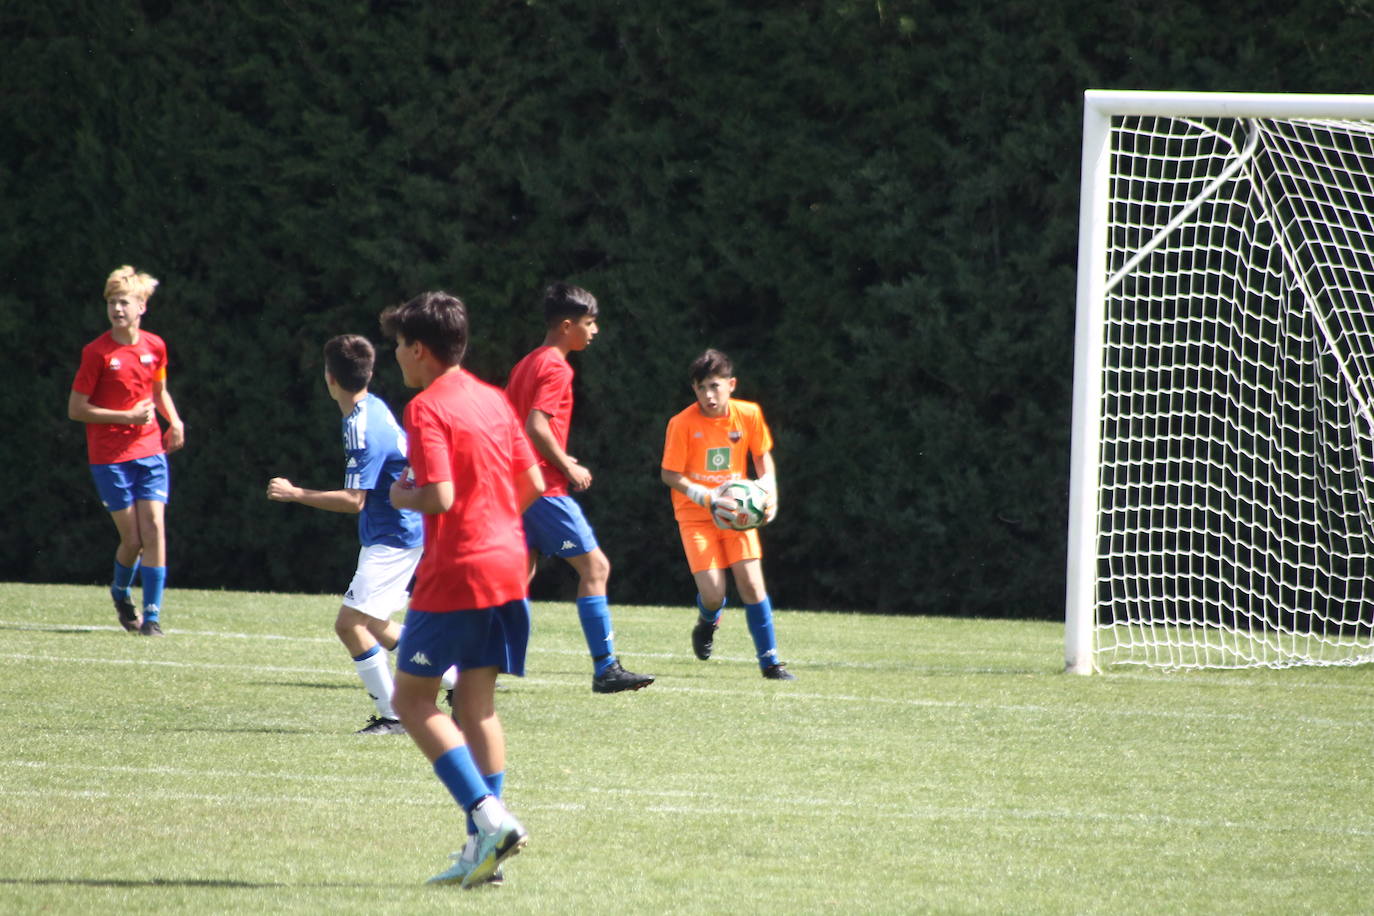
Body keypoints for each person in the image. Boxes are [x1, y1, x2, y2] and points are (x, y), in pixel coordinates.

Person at [381, 291, 542, 888]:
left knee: (412, 700)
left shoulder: (426, 407)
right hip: (508, 563)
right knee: (477, 705)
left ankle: (488, 816)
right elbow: (530, 483)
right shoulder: (494, 399)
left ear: (419, 349)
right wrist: (495, 523)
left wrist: (399, 496)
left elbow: (440, 496)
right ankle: (483, 851)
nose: (396, 354)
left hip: (457, 571)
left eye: (398, 344)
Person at [266, 334, 423, 735]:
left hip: (394, 536)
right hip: (398, 530)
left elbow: (354, 500)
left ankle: (394, 715)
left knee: (349, 624)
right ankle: (455, 678)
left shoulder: (360, 424)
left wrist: (296, 493)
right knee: (373, 622)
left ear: (329, 378)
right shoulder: (374, 407)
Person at [505, 283, 654, 694]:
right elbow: (536, 425)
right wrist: (567, 464)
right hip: (544, 488)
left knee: (516, 578)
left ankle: (476, 662)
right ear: (567, 325)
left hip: (516, 485)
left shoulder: (526, 363)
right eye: (589, 324)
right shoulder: (555, 366)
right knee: (595, 568)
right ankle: (606, 668)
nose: (595, 331)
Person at [660, 348, 794, 680]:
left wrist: (768, 492)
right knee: (714, 593)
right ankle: (707, 622)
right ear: (694, 389)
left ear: (731, 384)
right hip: (696, 517)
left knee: (751, 584)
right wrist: (705, 497)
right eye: (702, 387)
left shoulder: (748, 414)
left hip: (738, 514)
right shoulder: (681, 424)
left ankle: (771, 662)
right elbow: (669, 474)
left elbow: (763, 457)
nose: (709, 394)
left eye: (715, 386)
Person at [68, 265, 185, 637]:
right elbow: (77, 409)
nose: (117, 309)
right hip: (109, 457)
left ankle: (151, 618)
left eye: (124, 302)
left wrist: (176, 422)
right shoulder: (96, 353)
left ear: (141, 307)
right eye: (112, 303)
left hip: (149, 448)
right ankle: (120, 593)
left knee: (154, 529)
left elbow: (158, 390)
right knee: (132, 540)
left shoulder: (155, 346)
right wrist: (126, 415)